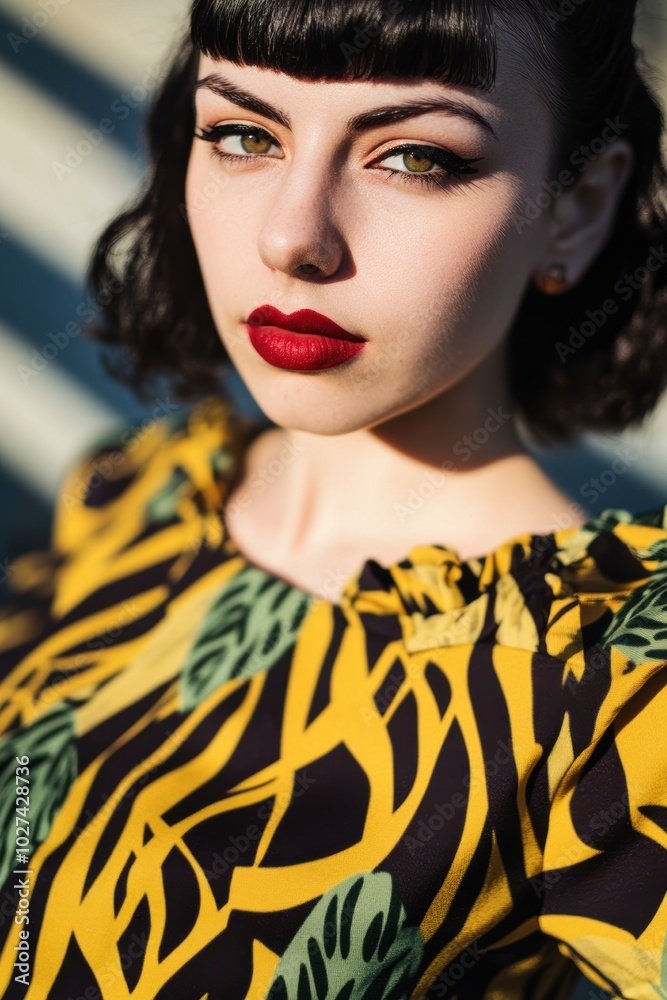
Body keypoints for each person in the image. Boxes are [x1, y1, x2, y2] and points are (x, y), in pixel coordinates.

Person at [0, 0, 666, 997]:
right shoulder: (134, 492)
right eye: (242, 134)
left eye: (416, 158)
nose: (292, 236)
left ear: (573, 208)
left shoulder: (614, 688)